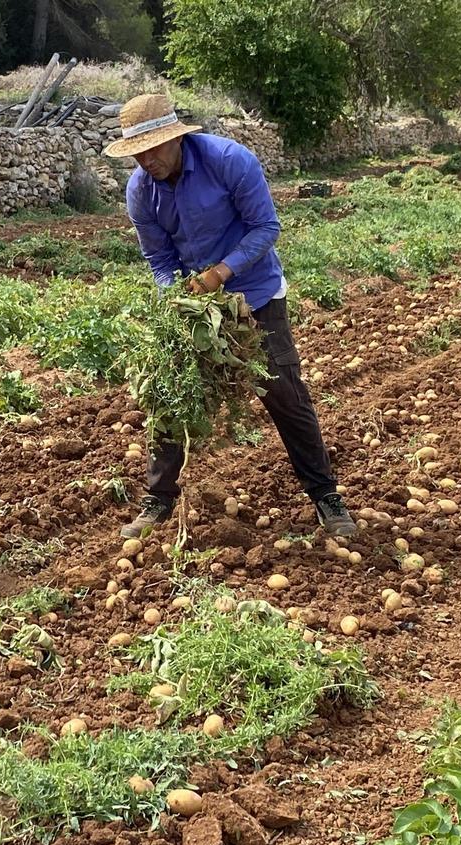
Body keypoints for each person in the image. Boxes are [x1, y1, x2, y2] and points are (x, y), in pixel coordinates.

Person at [104, 94, 356, 539]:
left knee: (284, 395)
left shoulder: (229, 160)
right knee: (171, 394)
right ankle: (157, 502)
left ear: (176, 139)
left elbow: (266, 228)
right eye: (137, 154)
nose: (147, 160)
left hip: (256, 294)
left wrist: (222, 273)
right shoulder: (140, 191)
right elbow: (159, 258)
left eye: (154, 149)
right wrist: (179, 293)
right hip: (198, 306)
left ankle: (326, 498)